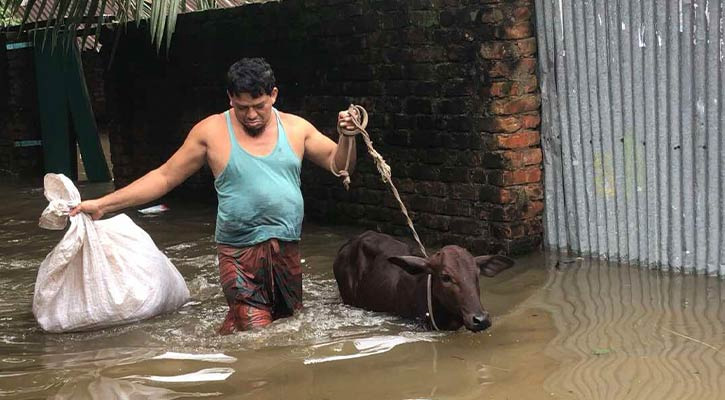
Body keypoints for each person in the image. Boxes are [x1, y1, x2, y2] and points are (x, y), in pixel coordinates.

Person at [71, 57, 358, 333]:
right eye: (242, 106)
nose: (251, 115)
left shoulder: (297, 128)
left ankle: (227, 335)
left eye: (259, 106)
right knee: (257, 334)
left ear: (273, 95)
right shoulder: (210, 132)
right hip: (238, 253)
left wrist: (347, 137)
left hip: (286, 249)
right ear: (230, 98)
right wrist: (103, 204)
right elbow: (164, 176)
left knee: (288, 325)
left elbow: (340, 165)